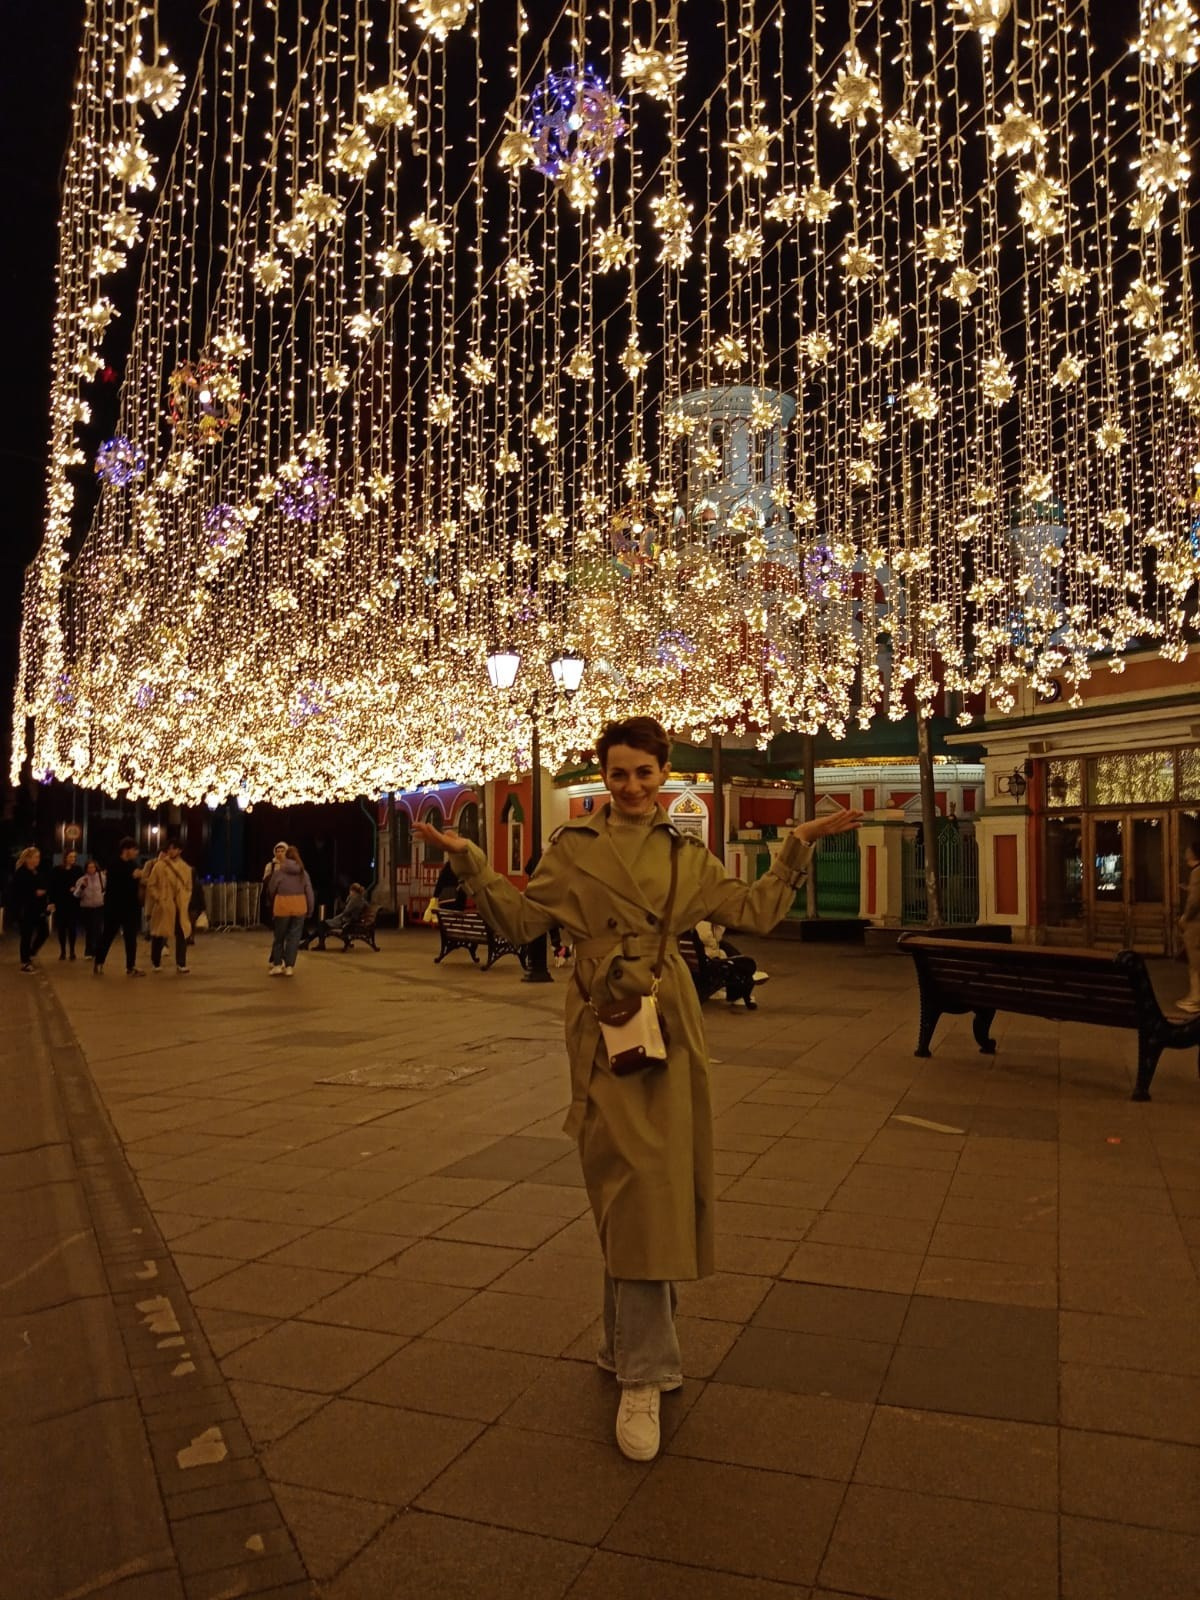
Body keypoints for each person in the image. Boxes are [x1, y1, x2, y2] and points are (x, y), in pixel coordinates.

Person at [413, 715, 862, 1463]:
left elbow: (754, 913)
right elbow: (523, 921)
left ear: (663, 776)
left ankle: (630, 1355)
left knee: (651, 1187)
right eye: (618, 774)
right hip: (605, 1024)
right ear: (605, 777)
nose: (630, 787)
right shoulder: (572, 851)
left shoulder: (688, 856)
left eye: (644, 774)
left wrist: (797, 846)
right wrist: (472, 861)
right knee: (630, 1186)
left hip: (669, 1025)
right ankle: (642, 1366)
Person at [93, 838, 146, 977]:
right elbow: (116, 886)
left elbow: (136, 884)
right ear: (126, 850)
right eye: (134, 849)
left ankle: (131, 966)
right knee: (108, 935)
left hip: (130, 908)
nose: (136, 852)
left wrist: (138, 878)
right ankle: (99, 963)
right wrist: (132, 877)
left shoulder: (133, 864)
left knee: (131, 938)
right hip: (114, 907)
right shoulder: (114, 863)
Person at [143, 837, 194, 973]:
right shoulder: (160, 866)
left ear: (180, 850)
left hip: (179, 905)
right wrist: (159, 898)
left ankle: (181, 963)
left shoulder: (186, 868)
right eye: (169, 848)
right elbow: (151, 884)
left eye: (174, 848)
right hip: (164, 904)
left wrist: (184, 899)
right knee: (159, 933)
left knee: (182, 933)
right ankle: (156, 961)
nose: (171, 851)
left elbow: (189, 887)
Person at [266, 845, 315, 974]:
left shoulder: (279, 873)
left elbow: (271, 890)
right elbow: (309, 893)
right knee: (294, 938)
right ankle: (289, 967)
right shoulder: (303, 873)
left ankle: (277, 964)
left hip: (282, 907)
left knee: (279, 937)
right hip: (299, 907)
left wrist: (273, 901)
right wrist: (310, 909)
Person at [11, 846, 51, 972]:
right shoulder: (21, 873)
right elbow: (17, 892)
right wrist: (34, 892)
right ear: (28, 859)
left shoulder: (36, 872)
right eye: (35, 857)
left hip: (37, 908)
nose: (37, 860)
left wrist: (45, 900)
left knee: (44, 931)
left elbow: (42, 885)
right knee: (26, 935)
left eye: (38, 857)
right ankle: (25, 962)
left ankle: (31, 952)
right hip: (25, 909)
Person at [302, 880, 369, 950]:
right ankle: (307, 942)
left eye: (350, 891)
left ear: (353, 890)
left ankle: (315, 944)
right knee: (321, 925)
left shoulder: (354, 899)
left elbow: (346, 911)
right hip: (348, 920)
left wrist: (346, 903)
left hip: (346, 921)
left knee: (321, 924)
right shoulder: (361, 899)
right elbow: (364, 905)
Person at [50, 848, 85, 960]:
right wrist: (52, 902)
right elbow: (53, 886)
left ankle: (72, 951)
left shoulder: (78, 870)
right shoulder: (57, 870)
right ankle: (63, 951)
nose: (72, 859)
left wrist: (77, 888)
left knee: (72, 927)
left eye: (74, 857)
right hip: (61, 902)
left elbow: (82, 884)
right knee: (61, 928)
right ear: (65, 857)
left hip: (73, 902)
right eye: (70, 857)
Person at [1179, 838, 1200, 1014]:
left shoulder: (1197, 872)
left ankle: (1195, 999)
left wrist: (1185, 918)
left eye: (1188, 849)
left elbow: (1194, 902)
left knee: (1195, 962)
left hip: (1196, 926)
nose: (1185, 852)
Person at [73, 858, 106, 958]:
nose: (91, 869)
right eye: (89, 867)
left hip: (98, 906)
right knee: (90, 930)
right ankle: (89, 951)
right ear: (86, 869)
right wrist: (82, 887)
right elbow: (76, 894)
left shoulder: (102, 877)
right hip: (87, 908)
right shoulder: (82, 880)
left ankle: (98, 950)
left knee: (98, 929)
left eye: (93, 867)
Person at [261, 842, 288, 925]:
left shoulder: (290, 865)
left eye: (282, 851)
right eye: (278, 851)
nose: (279, 853)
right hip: (274, 892)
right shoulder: (270, 865)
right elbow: (265, 879)